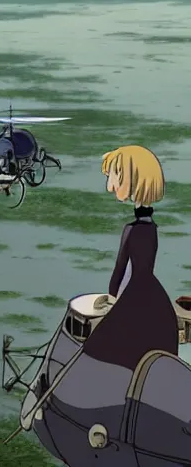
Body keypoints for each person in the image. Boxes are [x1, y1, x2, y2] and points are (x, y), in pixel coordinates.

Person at [81, 145, 179, 371]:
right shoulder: (142, 228)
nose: (109, 186)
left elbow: (133, 273)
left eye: (114, 176)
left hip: (137, 299)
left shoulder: (138, 230)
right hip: (137, 295)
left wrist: (116, 302)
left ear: (133, 178)